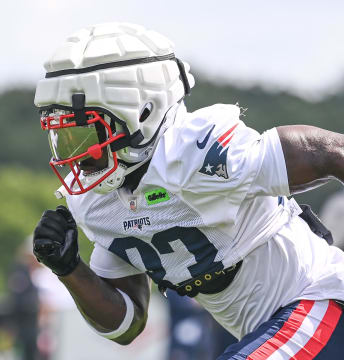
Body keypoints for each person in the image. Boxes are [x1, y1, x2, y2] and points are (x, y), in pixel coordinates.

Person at [32, 22, 344, 359]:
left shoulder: (195, 152)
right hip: (264, 329)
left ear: (141, 113)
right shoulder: (96, 202)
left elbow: (327, 152)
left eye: (84, 134)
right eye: (62, 137)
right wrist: (70, 270)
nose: (73, 155)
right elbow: (126, 324)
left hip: (320, 298)